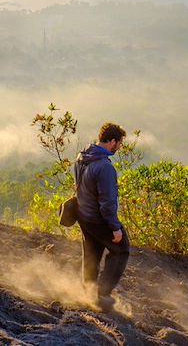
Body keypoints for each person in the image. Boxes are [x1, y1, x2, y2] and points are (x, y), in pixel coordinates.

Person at [74, 122, 129, 312]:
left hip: (83, 214)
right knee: (121, 249)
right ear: (112, 141)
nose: (119, 147)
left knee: (91, 253)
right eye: (119, 143)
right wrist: (115, 227)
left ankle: (87, 291)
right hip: (98, 218)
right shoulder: (104, 167)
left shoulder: (82, 157)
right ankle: (102, 294)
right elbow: (107, 202)